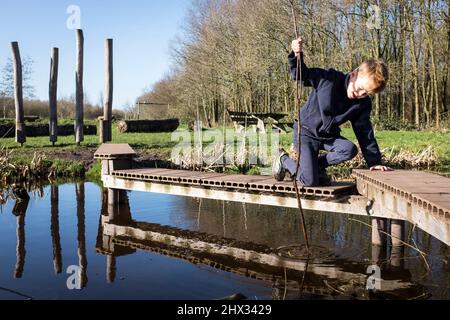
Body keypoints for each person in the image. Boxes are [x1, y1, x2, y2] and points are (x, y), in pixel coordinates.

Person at [273, 37, 391, 186]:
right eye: (360, 88)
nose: (360, 94)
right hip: (305, 132)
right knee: (309, 181)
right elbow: (300, 75)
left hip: (328, 136)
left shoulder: (362, 104)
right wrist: (297, 54)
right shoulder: (329, 79)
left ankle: (317, 165)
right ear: (354, 74)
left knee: (349, 149)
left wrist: (374, 162)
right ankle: (284, 160)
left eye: (366, 93)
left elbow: (364, 132)